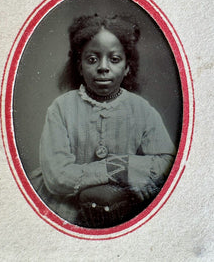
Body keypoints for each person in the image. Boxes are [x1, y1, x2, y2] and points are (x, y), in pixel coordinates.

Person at [30, 14, 176, 228]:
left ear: (127, 67)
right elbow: (57, 176)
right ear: (79, 66)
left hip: (120, 208)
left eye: (114, 59)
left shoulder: (141, 110)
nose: (103, 67)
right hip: (61, 208)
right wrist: (118, 169)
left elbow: (168, 162)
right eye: (92, 59)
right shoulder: (61, 108)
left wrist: (128, 166)